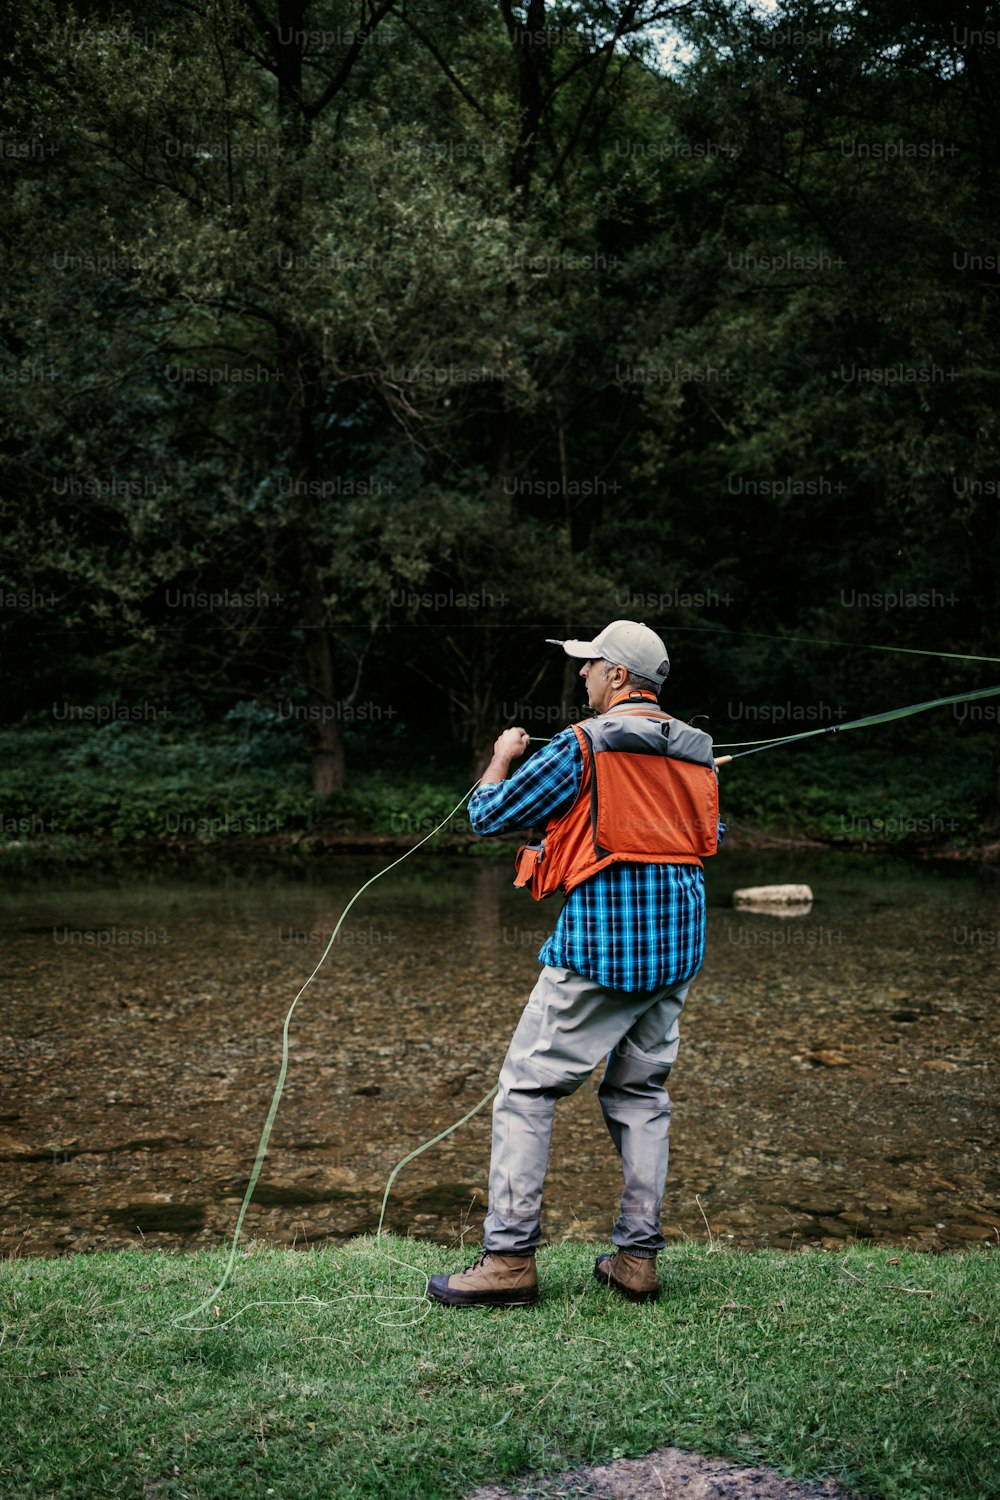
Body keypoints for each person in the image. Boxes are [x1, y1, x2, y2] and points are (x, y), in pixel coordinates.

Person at [427, 620, 721, 1308]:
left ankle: (507, 1260)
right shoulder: (696, 751)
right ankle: (637, 1260)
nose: (580, 674)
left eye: (589, 665)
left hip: (603, 947)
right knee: (643, 1095)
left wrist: (501, 756)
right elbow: (706, 836)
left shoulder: (581, 744)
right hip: (678, 947)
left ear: (619, 676)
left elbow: (491, 817)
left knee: (527, 1090)